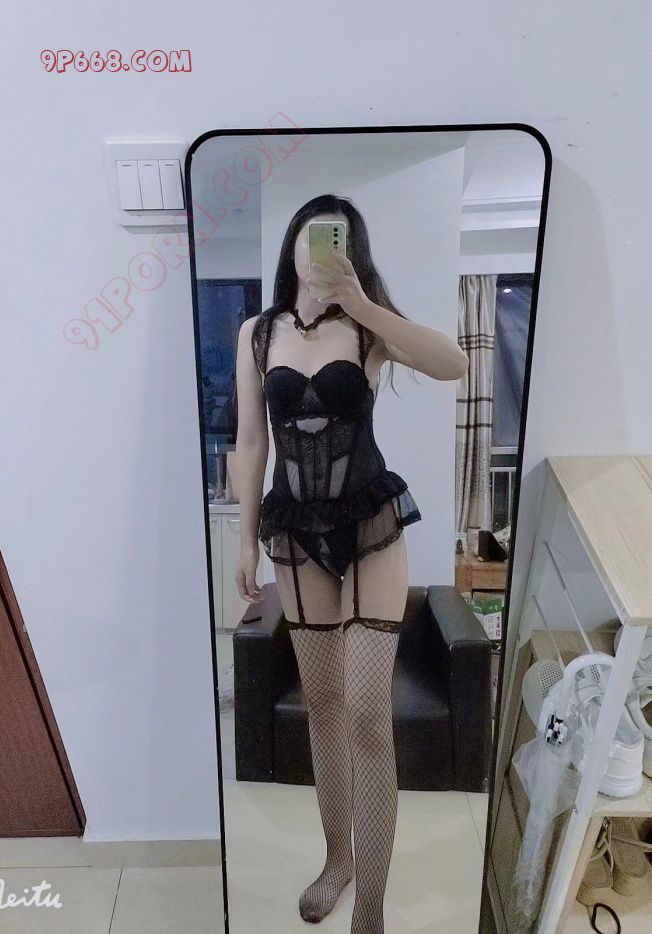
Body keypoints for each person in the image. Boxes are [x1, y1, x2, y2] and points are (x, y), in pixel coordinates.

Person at [234, 194, 468, 934]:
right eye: (311, 240)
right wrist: (243, 538)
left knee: (368, 712)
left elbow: (455, 364)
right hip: (294, 533)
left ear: (351, 251)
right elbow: (251, 442)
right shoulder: (257, 333)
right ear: (292, 249)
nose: (320, 255)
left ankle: (371, 907)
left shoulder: (367, 329)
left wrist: (365, 304)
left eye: (335, 242)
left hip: (370, 525)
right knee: (323, 708)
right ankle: (338, 860)